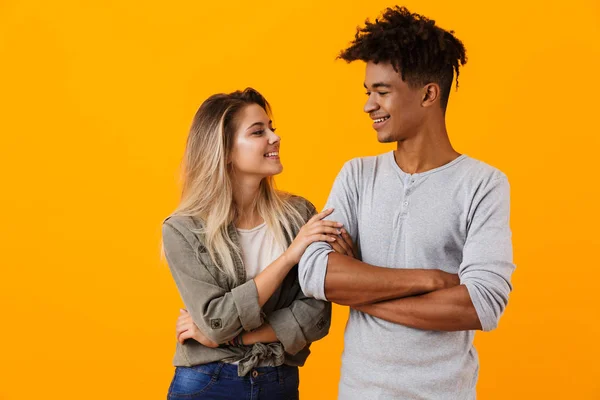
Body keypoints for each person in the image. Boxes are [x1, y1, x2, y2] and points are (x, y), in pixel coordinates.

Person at [298, 6, 516, 399]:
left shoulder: (483, 184)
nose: (368, 105)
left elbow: (481, 305)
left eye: (382, 92)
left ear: (429, 93)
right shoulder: (357, 175)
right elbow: (316, 274)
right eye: (368, 93)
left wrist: (360, 287)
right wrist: (428, 280)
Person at [162, 88, 354, 399]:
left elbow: (316, 313)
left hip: (277, 380)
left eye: (272, 128)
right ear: (224, 151)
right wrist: (289, 257)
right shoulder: (183, 229)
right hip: (207, 382)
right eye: (257, 132)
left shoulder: (299, 216)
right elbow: (216, 320)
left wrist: (237, 339)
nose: (274, 138)